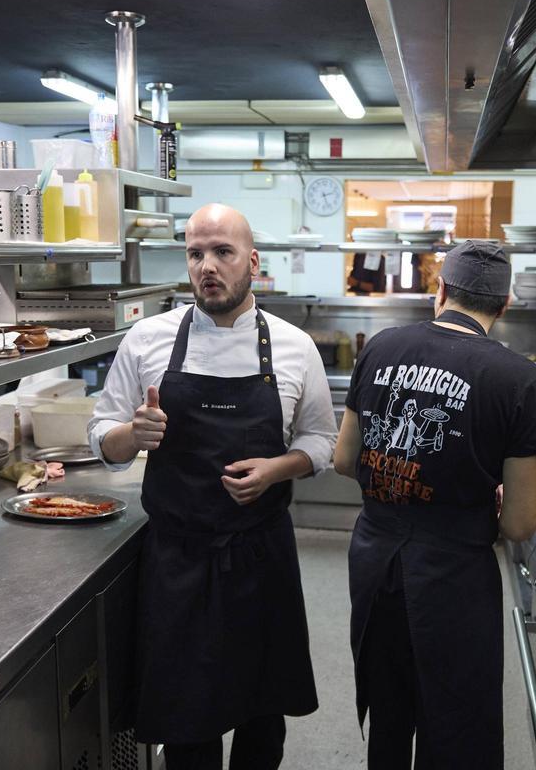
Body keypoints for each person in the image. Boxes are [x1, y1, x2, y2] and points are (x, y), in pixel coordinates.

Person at [88, 203, 337, 770]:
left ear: (252, 261)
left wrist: (277, 469)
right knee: (185, 720)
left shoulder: (295, 347)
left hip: (260, 552)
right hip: (178, 557)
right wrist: (133, 433)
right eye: (196, 253)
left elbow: (323, 441)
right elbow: (100, 435)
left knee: (260, 715)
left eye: (223, 252)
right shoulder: (148, 339)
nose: (208, 266)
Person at [333, 240, 536, 769]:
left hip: (375, 561)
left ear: (439, 292)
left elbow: (345, 459)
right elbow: (521, 521)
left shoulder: (381, 348)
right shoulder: (522, 381)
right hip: (454, 575)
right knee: (455, 724)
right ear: (504, 306)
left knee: (389, 710)